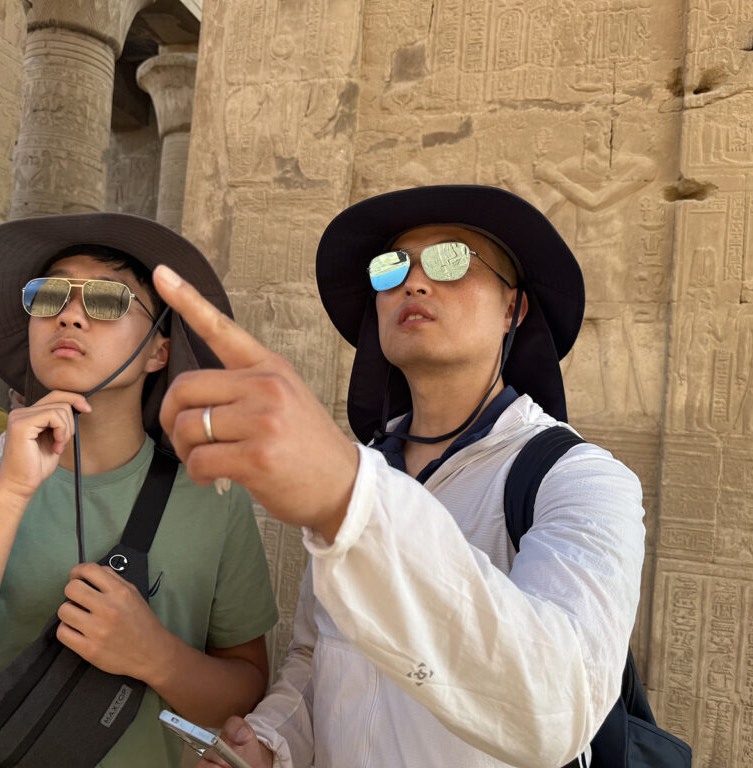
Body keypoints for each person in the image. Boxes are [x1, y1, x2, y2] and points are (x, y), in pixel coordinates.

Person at [151, 185, 646, 767]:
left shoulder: (582, 480)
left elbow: (557, 708)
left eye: (451, 259)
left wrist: (350, 498)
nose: (413, 282)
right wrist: (267, 741)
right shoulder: (365, 470)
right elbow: (317, 655)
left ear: (513, 309)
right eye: (391, 267)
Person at [0, 213, 278, 768]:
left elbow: (245, 690)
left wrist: (156, 657)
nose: (70, 314)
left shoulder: (212, 500)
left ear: (158, 351)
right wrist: (10, 492)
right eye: (48, 295)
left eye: (107, 300)